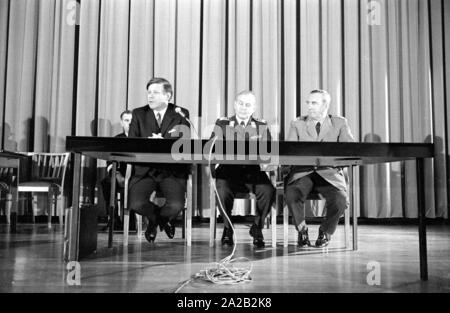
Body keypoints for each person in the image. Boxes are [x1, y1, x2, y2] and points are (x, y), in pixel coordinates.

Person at [284, 89, 355, 248]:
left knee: (340, 200)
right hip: (303, 172)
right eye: (308, 102)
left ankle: (326, 231)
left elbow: (350, 150)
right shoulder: (297, 123)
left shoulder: (339, 123)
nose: (309, 106)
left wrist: (337, 163)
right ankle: (302, 230)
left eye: (313, 103)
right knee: (292, 194)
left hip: (329, 172)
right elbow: (288, 151)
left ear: (325, 105)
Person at [128, 77, 190, 244]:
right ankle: (158, 220)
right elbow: (131, 143)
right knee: (136, 203)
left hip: (171, 171)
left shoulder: (180, 113)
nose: (150, 96)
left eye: (155, 92)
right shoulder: (138, 114)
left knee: (176, 205)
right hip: (145, 170)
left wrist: (164, 142)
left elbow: (184, 144)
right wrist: (149, 143)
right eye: (149, 92)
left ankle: (156, 222)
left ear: (167, 96)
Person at [210, 90, 275, 248]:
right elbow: (211, 146)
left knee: (268, 191)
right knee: (222, 190)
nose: (243, 108)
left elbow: (269, 150)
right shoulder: (223, 123)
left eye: (248, 105)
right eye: (240, 103)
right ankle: (228, 228)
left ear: (254, 108)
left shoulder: (260, 125)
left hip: (253, 171)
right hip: (228, 170)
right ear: (234, 104)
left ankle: (257, 227)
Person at [101, 110, 132, 231]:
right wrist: (117, 174)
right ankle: (113, 220)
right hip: (119, 174)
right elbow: (109, 161)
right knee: (107, 182)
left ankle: (131, 221)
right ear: (122, 123)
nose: (129, 123)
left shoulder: (141, 138)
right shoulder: (117, 139)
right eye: (126, 120)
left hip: (136, 175)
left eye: (132, 121)